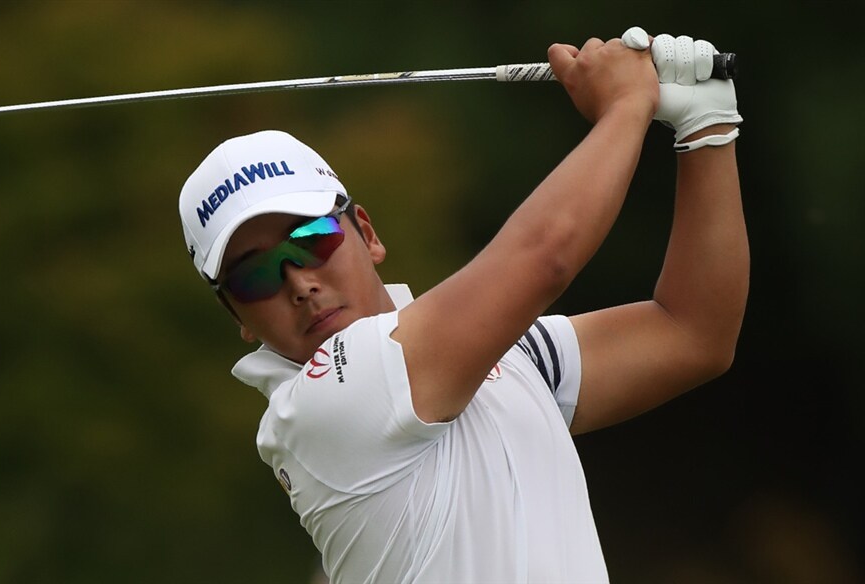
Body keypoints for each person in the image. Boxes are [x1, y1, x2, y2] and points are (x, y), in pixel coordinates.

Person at [177, 26, 747, 583]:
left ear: (366, 233)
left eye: (311, 238)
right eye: (254, 275)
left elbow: (693, 333)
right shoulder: (319, 409)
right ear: (237, 317)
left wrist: (707, 130)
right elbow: (546, 256)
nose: (299, 284)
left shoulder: (507, 354)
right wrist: (626, 105)